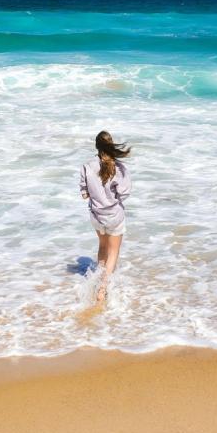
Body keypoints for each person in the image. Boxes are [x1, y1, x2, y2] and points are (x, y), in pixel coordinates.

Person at [79, 130, 132, 303]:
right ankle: (103, 288)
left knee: (102, 247)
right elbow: (124, 193)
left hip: (96, 215)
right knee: (113, 251)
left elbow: (84, 193)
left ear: (96, 146)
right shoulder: (118, 168)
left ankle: (97, 281)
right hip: (114, 216)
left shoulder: (87, 166)